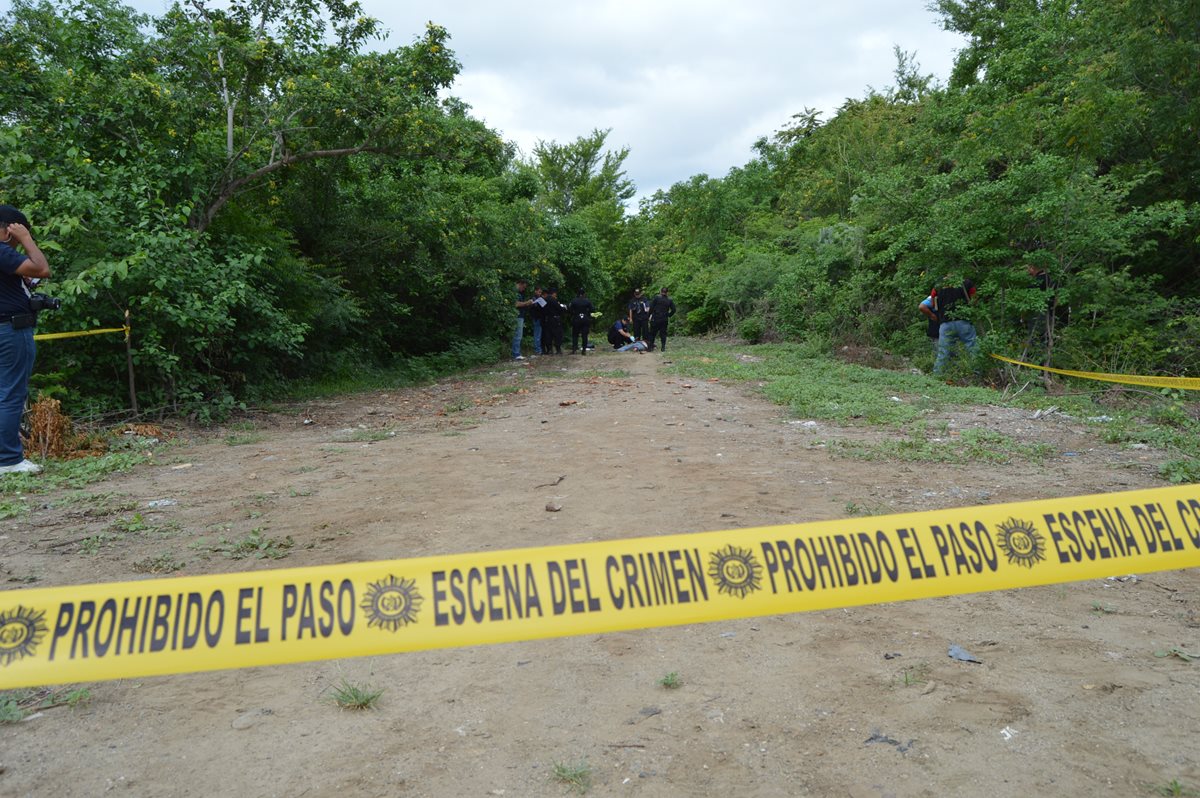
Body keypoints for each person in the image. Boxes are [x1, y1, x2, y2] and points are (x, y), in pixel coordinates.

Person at [0, 205, 51, 475]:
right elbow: (42, 268)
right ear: (10, 229)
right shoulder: (2, 251)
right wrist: (27, 240)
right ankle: (8, 459)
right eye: (20, 233)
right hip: (10, 330)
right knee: (11, 394)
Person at [930, 277, 979, 376]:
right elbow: (974, 300)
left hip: (945, 323)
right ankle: (976, 374)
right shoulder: (966, 282)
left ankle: (937, 376)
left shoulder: (938, 285)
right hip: (964, 321)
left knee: (943, 352)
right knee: (972, 349)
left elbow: (933, 304)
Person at [647, 287, 676, 352]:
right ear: (667, 293)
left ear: (660, 291)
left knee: (652, 333)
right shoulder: (669, 300)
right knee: (663, 333)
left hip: (656, 318)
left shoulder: (656, 298)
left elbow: (651, 308)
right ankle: (663, 348)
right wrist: (669, 315)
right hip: (664, 319)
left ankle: (650, 347)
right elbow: (674, 310)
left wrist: (648, 316)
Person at [567, 289, 595, 355]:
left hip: (576, 319)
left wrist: (573, 314)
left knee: (575, 335)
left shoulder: (574, 301)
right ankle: (584, 350)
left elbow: (570, 309)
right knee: (584, 335)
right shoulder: (587, 301)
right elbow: (592, 309)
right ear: (584, 294)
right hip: (585, 319)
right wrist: (587, 314)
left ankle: (574, 349)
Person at [511, 279, 533, 360]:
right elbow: (516, 304)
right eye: (523, 287)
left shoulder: (519, 293)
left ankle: (516, 353)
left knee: (518, 335)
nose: (523, 289)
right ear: (519, 284)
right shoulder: (514, 293)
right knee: (518, 335)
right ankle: (516, 354)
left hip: (520, 316)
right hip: (517, 316)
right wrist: (527, 303)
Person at [543, 287, 565, 354]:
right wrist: (562, 307)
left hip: (547, 319)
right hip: (555, 319)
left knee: (548, 334)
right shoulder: (553, 300)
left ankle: (549, 349)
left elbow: (542, 309)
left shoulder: (544, 299)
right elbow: (559, 309)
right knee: (557, 334)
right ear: (554, 293)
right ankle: (558, 349)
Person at [529, 286, 546, 355]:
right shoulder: (533, 299)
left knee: (539, 334)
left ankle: (539, 349)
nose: (540, 293)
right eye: (539, 292)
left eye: (540, 292)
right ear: (535, 291)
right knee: (537, 335)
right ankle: (538, 350)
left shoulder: (539, 298)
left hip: (539, 318)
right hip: (536, 318)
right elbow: (533, 308)